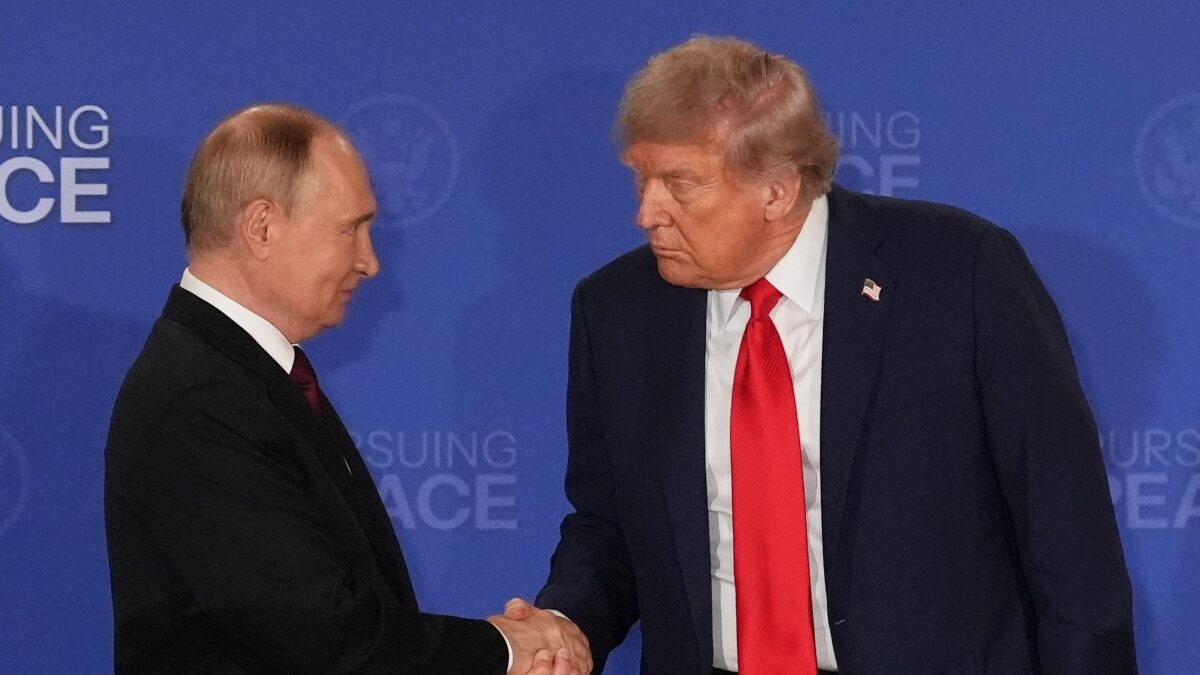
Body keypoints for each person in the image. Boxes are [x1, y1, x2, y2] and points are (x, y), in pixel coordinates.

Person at [524, 36, 1136, 674]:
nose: (647, 213)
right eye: (640, 178)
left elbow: (1069, 541)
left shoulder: (958, 273)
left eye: (680, 184)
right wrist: (566, 624)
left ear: (777, 191)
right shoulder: (618, 310)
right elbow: (609, 526)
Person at [104, 103, 589, 674]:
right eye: (350, 229)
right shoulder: (202, 400)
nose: (371, 262)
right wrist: (508, 649)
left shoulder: (247, 374)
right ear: (262, 227)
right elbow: (322, 633)